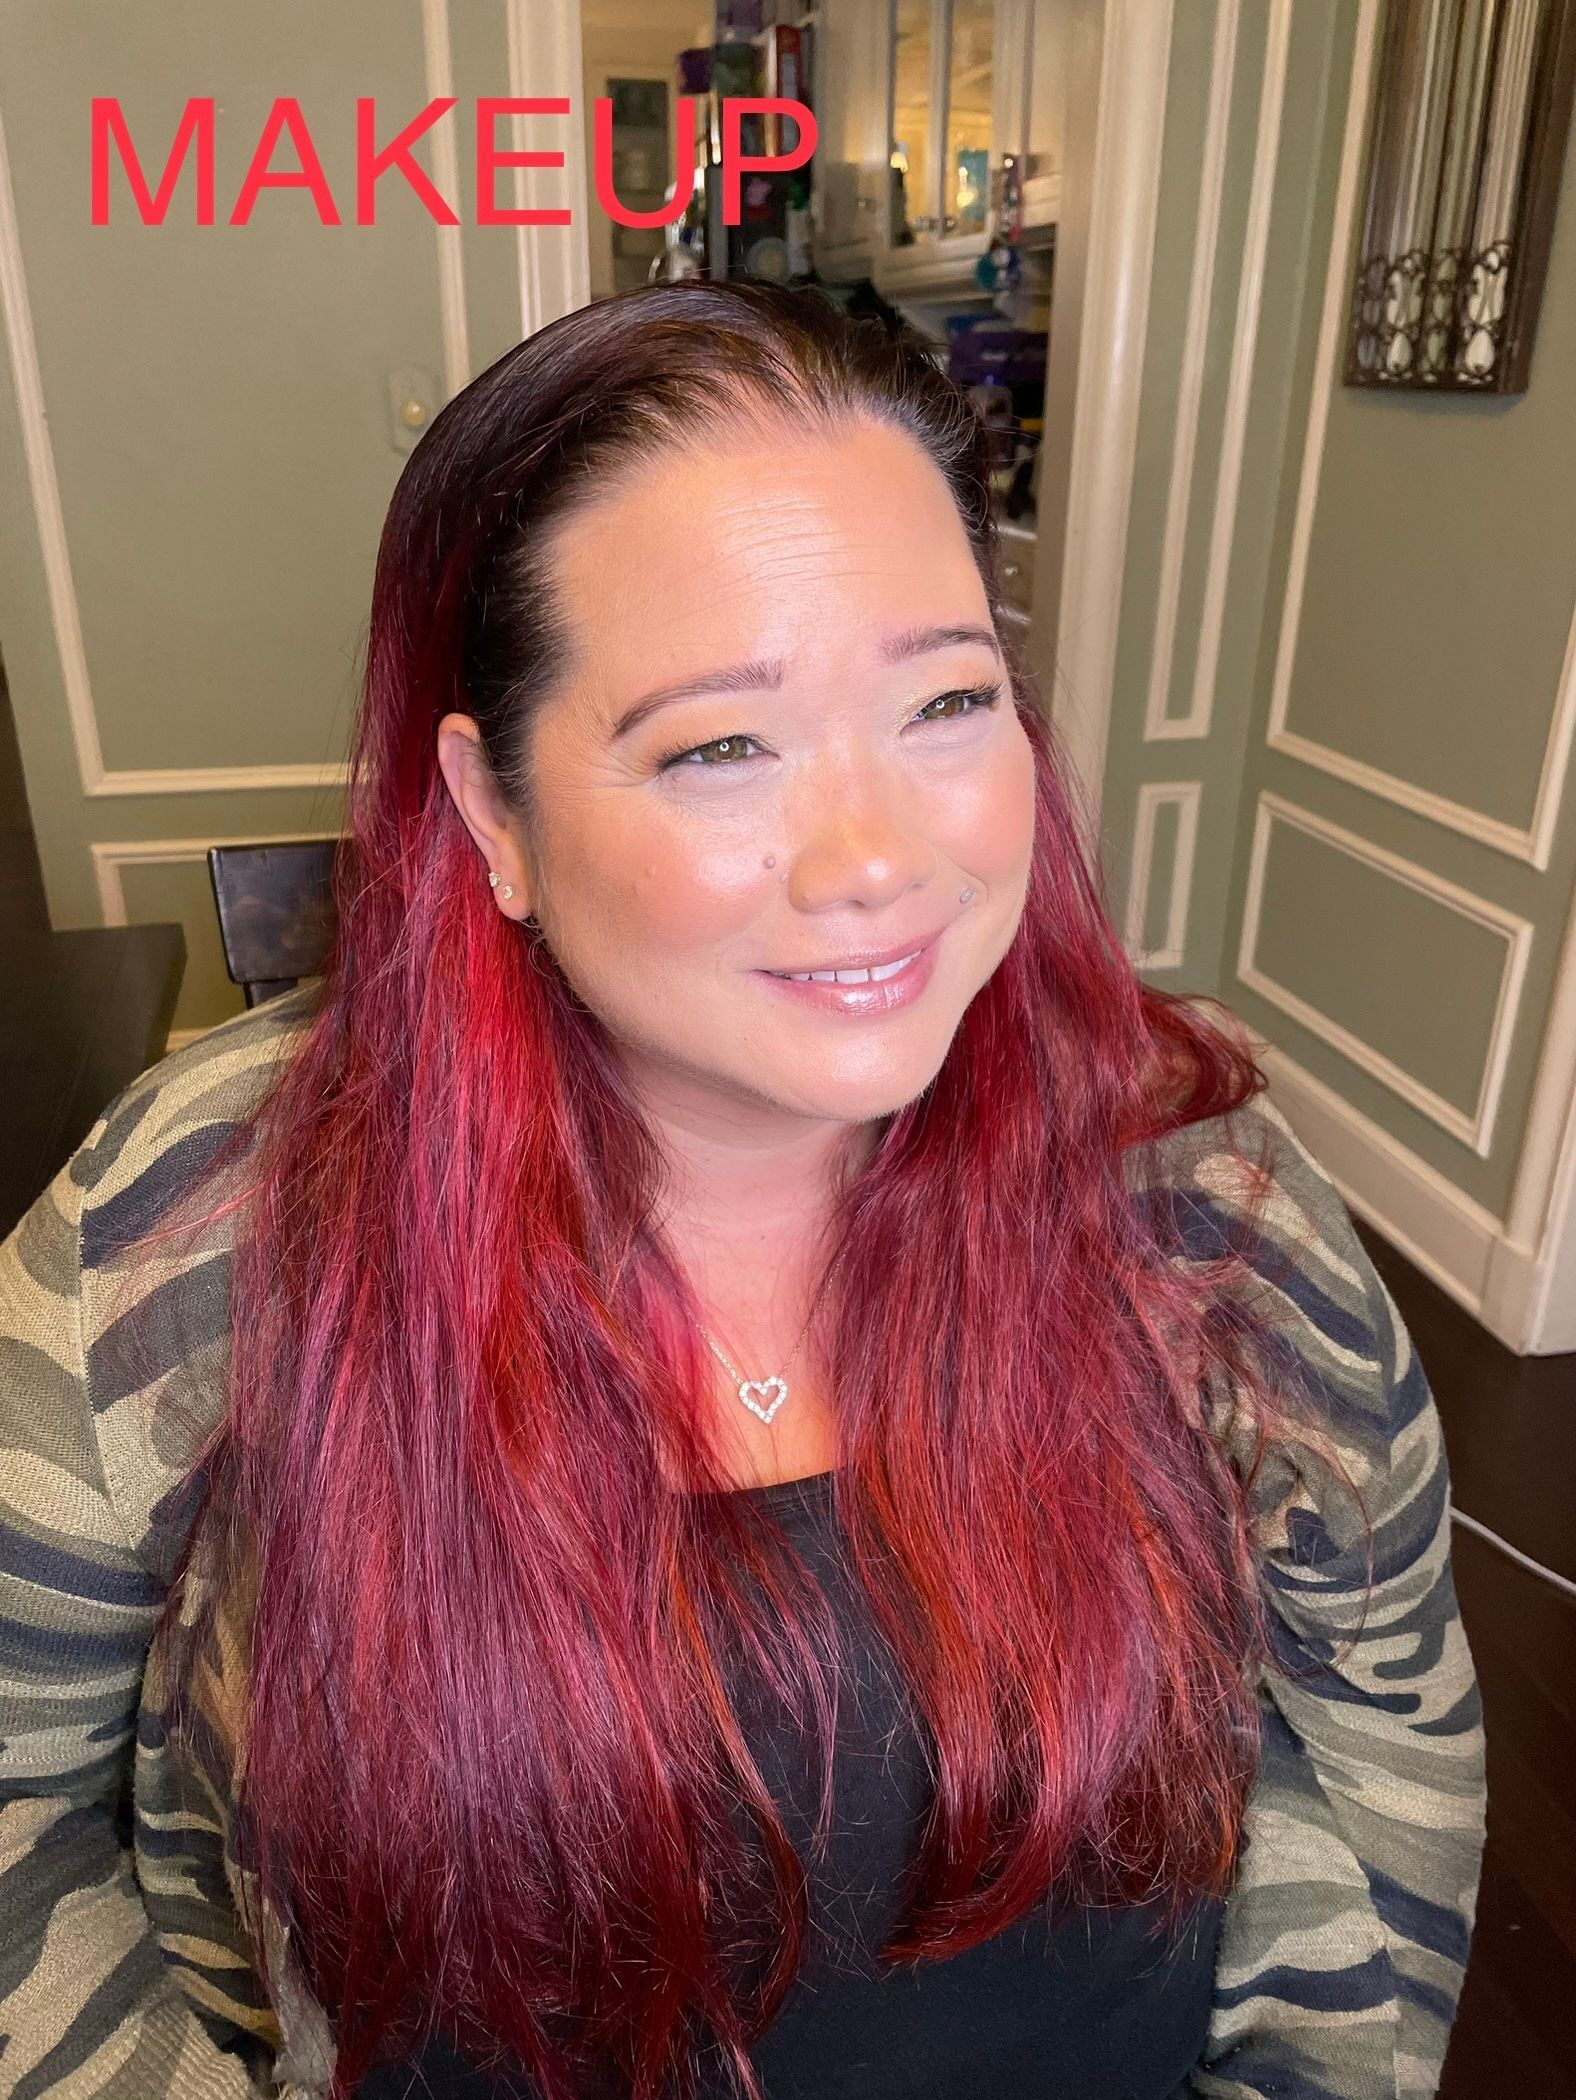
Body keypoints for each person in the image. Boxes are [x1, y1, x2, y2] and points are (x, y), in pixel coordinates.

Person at [0, 279, 1485, 2100]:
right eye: (720, 745)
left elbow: (1387, 1727)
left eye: (949, 699)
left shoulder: (1194, 1188)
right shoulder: (202, 1223)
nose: (878, 858)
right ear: (493, 816)